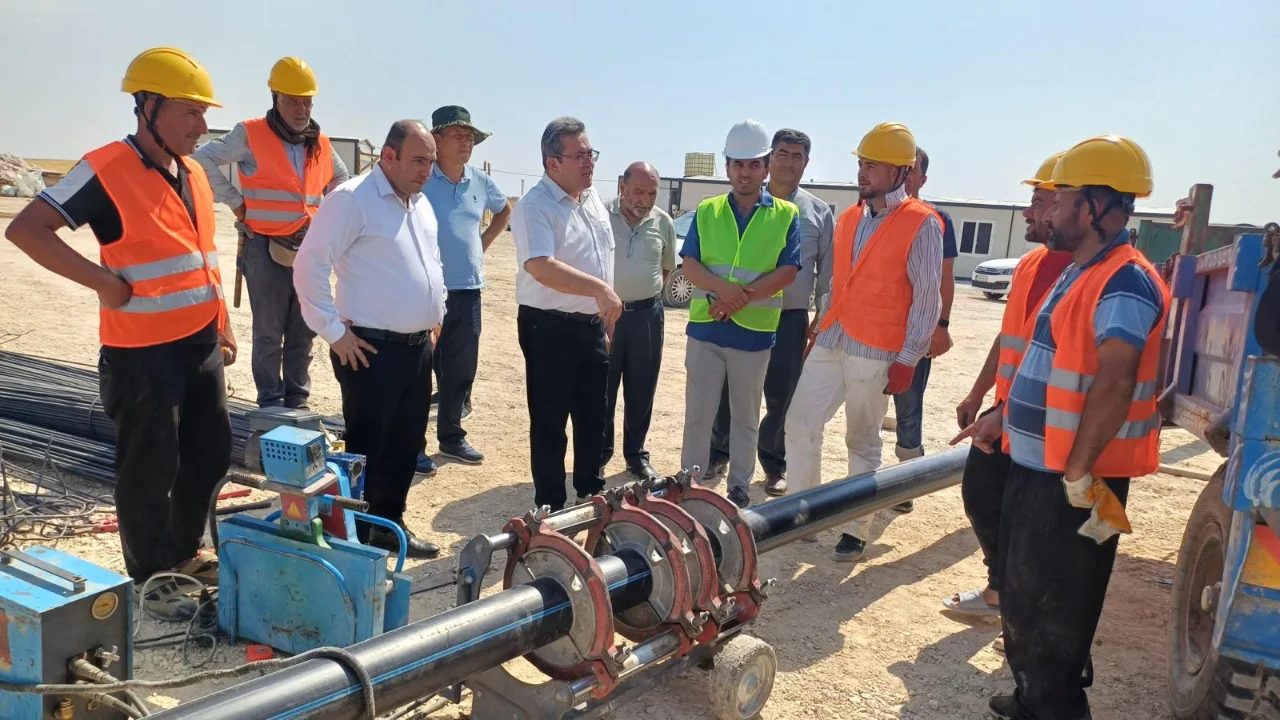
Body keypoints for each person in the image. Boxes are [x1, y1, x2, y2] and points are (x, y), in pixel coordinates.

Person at [4, 47, 235, 620]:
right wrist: (102, 282)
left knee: (208, 456)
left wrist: (223, 325)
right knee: (149, 467)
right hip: (142, 353)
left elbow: (203, 258)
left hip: (200, 342)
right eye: (190, 112)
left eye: (204, 114)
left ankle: (182, 554)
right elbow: (28, 228)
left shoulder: (195, 173)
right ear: (148, 106)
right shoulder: (106, 167)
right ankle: (151, 575)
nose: (201, 126)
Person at [956, 136, 1169, 720]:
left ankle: (1053, 707)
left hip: (1072, 478)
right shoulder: (1079, 272)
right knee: (1026, 599)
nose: (1049, 210)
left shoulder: (1125, 279)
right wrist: (1002, 415)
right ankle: (1035, 698)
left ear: (1096, 206)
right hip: (1038, 463)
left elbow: (1115, 381)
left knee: (1056, 608)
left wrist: (1077, 472)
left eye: (1062, 199)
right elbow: (1045, 361)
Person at [784, 122, 943, 561]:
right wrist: (821, 326)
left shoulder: (922, 223)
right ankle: (803, 514)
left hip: (876, 349)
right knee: (800, 422)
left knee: (862, 440)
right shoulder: (850, 217)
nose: (863, 172)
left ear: (900, 172)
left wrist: (909, 357)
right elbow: (840, 281)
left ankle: (855, 528)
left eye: (873, 165)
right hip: (834, 337)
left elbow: (927, 298)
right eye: (862, 163)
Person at [293, 120, 446, 559]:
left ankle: (389, 525)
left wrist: (436, 313)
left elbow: (432, 262)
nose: (426, 171)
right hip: (369, 349)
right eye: (418, 160)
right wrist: (333, 331)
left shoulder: (420, 204)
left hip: (417, 347)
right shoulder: (352, 199)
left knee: (405, 443)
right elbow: (309, 265)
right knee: (369, 446)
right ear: (388, 155)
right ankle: (356, 532)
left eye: (431, 162)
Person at [942, 152, 1072, 625]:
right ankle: (1001, 590)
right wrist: (978, 394)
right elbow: (1008, 335)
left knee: (1035, 517)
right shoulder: (1030, 264)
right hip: (1007, 406)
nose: (1028, 212)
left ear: (1066, 205)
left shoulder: (1080, 272)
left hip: (1049, 415)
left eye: (1038, 201)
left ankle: (1021, 608)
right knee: (982, 494)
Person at [193, 57, 349, 410]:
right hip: (264, 246)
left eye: (307, 102)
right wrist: (236, 203)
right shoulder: (250, 133)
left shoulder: (320, 143)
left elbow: (341, 180)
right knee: (268, 331)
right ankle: (270, 400)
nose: (301, 109)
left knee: (304, 328)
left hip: (308, 248)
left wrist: (329, 216)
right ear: (276, 98)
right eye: (293, 101)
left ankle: (297, 398)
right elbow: (202, 159)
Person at [679, 119, 801, 510]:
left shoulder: (786, 215)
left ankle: (739, 487)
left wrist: (736, 298)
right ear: (727, 167)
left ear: (765, 168)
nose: (744, 172)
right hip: (706, 332)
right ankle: (690, 483)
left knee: (746, 418)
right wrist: (725, 291)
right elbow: (691, 264)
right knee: (698, 415)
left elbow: (788, 271)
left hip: (753, 336)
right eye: (737, 164)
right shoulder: (707, 210)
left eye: (752, 164)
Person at [706, 128, 833, 497]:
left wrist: (821, 316)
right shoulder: (742, 203)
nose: (789, 163)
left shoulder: (819, 212)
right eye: (782, 154)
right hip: (741, 312)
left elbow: (827, 271)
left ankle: (774, 464)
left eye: (797, 156)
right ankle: (718, 453)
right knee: (729, 389)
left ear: (806, 163)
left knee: (781, 395)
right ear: (768, 160)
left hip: (789, 318)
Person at [511, 117, 619, 511]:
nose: (589, 162)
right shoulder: (534, 207)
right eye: (580, 156)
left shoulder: (591, 200)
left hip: (591, 326)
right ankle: (551, 506)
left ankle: (591, 493)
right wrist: (600, 291)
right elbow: (541, 266)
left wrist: (602, 310)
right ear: (552, 163)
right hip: (549, 327)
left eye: (591, 154)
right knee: (550, 422)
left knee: (594, 417)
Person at [416, 105, 512, 471]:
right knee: (420, 369)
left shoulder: (479, 181)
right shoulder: (422, 179)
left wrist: (481, 243)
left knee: (460, 369)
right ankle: (413, 444)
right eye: (458, 136)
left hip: (468, 289)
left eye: (470, 138)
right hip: (427, 290)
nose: (466, 143)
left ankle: (452, 437)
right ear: (436, 140)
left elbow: (504, 210)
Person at [885, 146, 959, 513]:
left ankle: (907, 483)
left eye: (911, 169)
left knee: (909, 407)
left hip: (914, 334)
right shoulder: (874, 214)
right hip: (874, 331)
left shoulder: (936, 219)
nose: (905, 174)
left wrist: (940, 325)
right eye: (900, 166)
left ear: (922, 178)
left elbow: (945, 277)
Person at [602, 161, 677, 481]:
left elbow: (666, 268)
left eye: (651, 193)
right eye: (638, 192)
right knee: (602, 389)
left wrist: (643, 295)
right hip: (605, 318)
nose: (644, 200)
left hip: (647, 317)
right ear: (622, 187)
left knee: (642, 389)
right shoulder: (600, 215)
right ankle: (599, 455)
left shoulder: (663, 222)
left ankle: (636, 455)